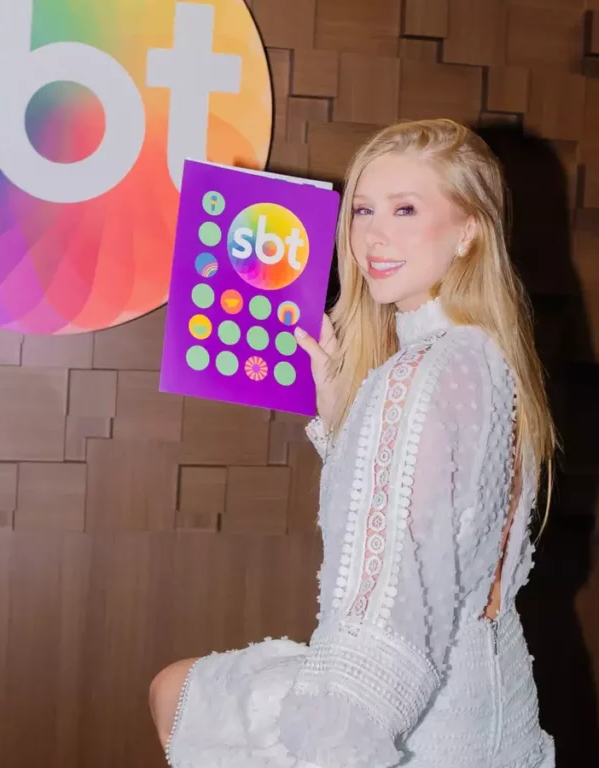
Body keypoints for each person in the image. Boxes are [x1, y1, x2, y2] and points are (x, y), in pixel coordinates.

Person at [149, 118, 558, 768]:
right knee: (180, 691)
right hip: (497, 711)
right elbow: (437, 528)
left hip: (419, 729)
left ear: (468, 230)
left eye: (405, 208)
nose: (373, 235)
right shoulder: (492, 361)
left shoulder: (418, 375)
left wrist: (336, 750)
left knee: (177, 695)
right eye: (363, 209)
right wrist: (346, 418)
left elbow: (384, 617)